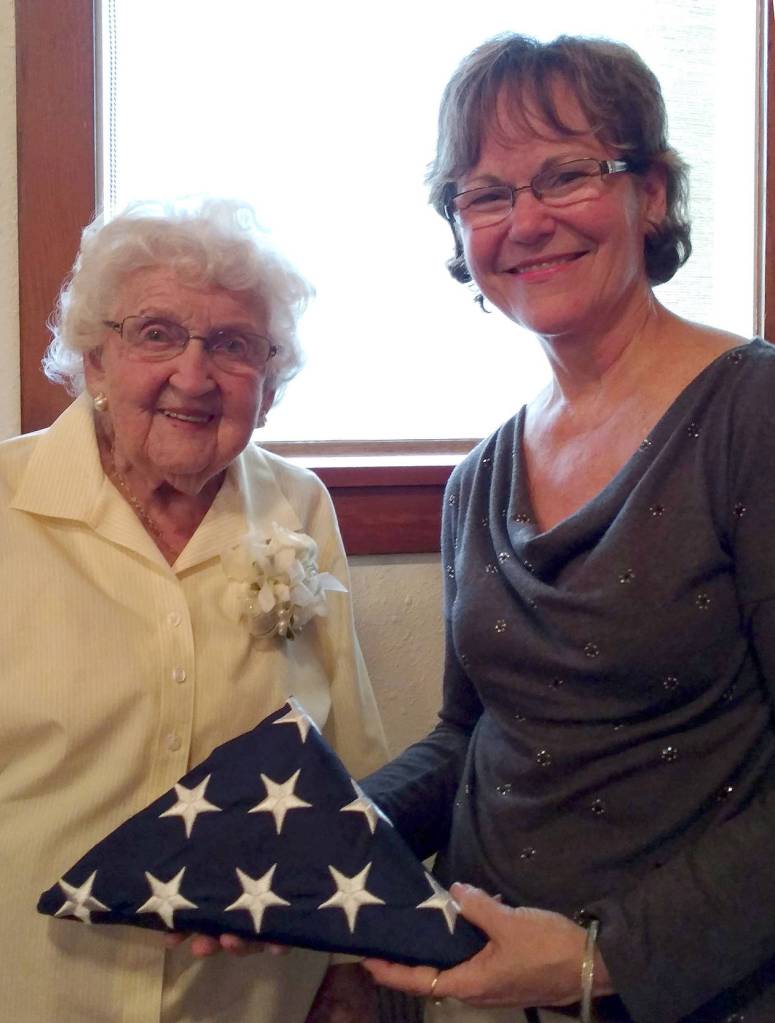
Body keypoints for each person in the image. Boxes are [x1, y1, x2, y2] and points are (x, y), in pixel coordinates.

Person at [361, 33, 775, 1023]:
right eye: (486, 194)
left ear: (653, 194)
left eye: (565, 175)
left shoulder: (750, 415)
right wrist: (318, 832)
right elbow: (469, 736)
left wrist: (600, 959)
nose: (526, 221)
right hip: (497, 989)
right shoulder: (478, 478)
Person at [0, 198, 387, 1022]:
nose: (193, 372)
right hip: (33, 984)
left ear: (270, 383)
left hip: (245, 993)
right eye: (156, 334)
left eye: (233, 345)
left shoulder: (297, 506)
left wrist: (350, 959)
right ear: (94, 360)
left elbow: (346, 748)